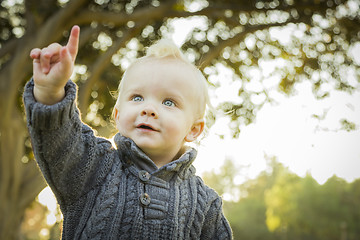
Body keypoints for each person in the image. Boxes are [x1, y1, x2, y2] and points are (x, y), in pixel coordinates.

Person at [23, 25, 233, 239]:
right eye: (137, 98)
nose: (148, 109)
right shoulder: (94, 167)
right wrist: (50, 92)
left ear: (193, 130)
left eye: (169, 102)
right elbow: (62, 141)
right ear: (117, 115)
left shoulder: (205, 204)